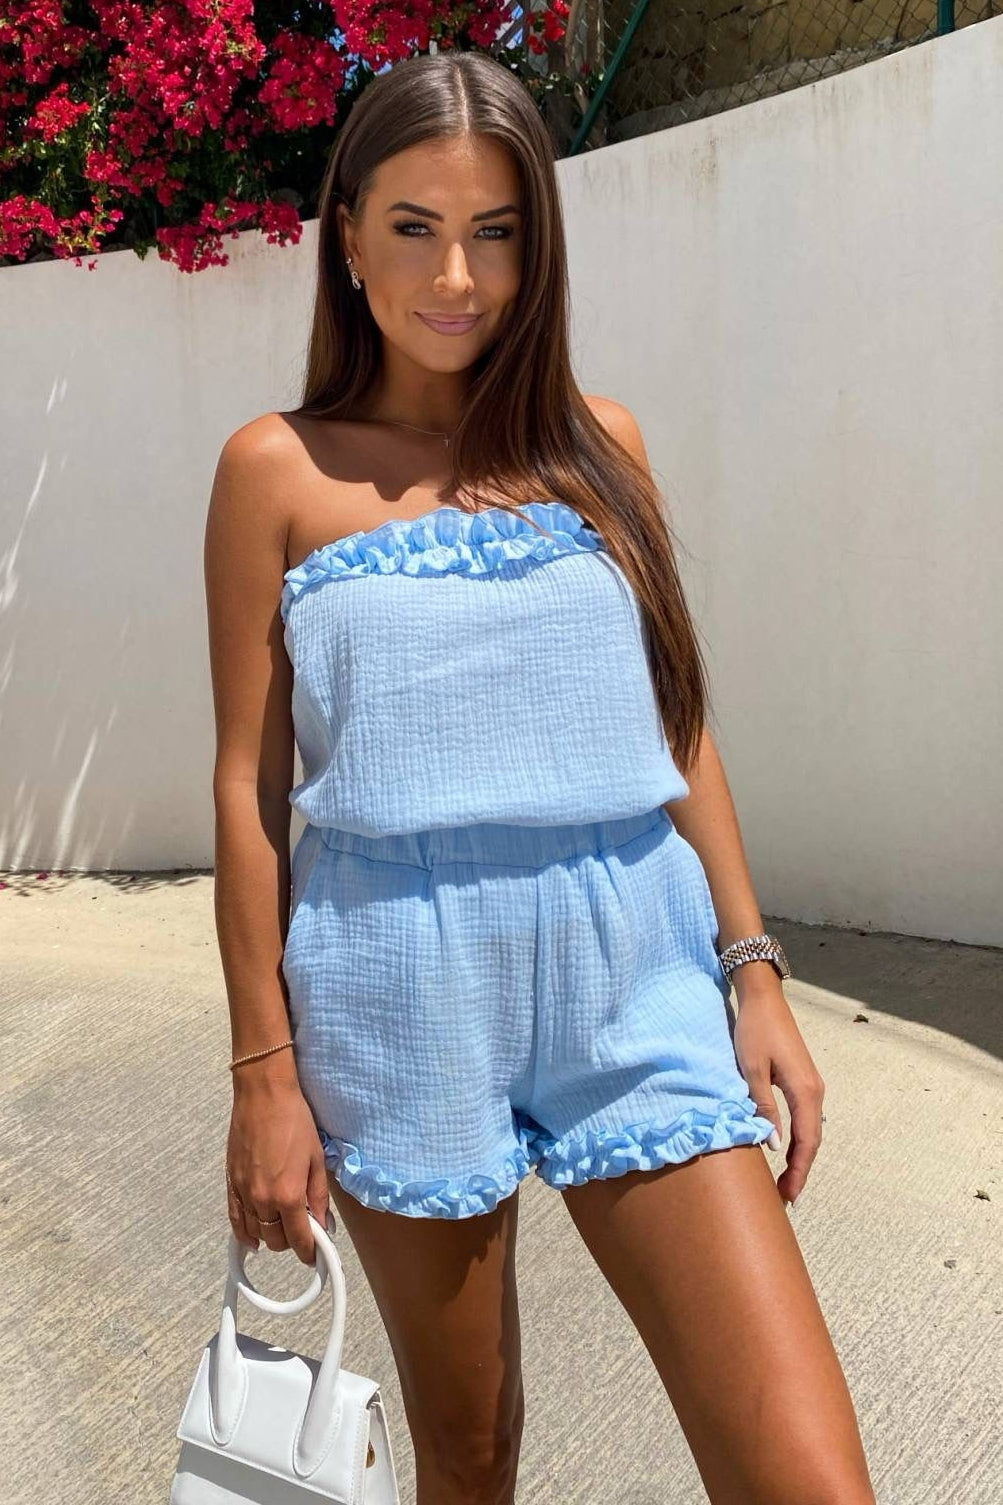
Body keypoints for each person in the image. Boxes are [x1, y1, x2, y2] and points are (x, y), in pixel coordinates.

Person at [203, 48, 875, 1505]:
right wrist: (264, 1075)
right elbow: (250, 794)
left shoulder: (597, 447)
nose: (457, 275)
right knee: (471, 1452)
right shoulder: (276, 472)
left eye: (495, 231)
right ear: (348, 234)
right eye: (415, 226)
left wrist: (753, 971)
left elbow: (674, 726)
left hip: (633, 967)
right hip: (399, 983)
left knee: (810, 1480)